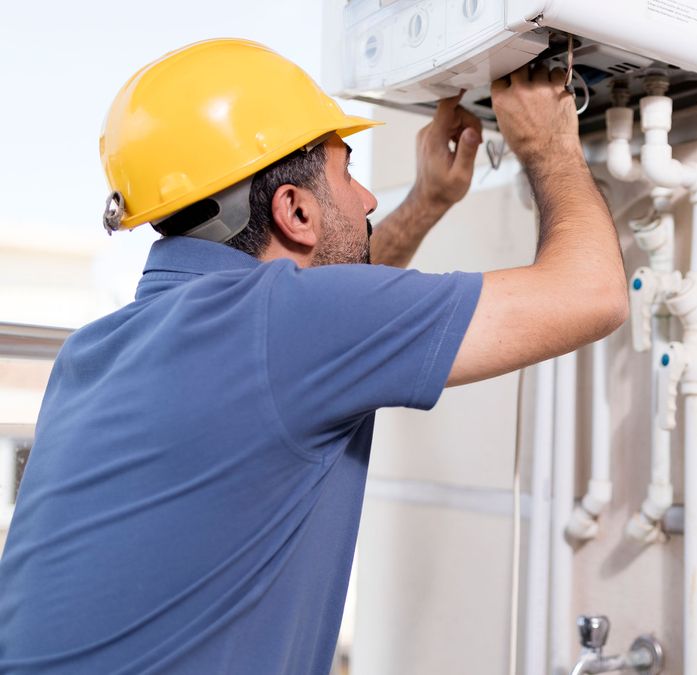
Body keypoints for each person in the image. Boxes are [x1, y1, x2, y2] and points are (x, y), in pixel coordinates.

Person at [0, 38, 625, 673]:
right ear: (294, 209)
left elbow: (315, 318)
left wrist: (431, 199)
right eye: (347, 172)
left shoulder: (91, 353)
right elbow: (593, 292)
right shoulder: (290, 326)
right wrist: (547, 144)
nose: (369, 199)